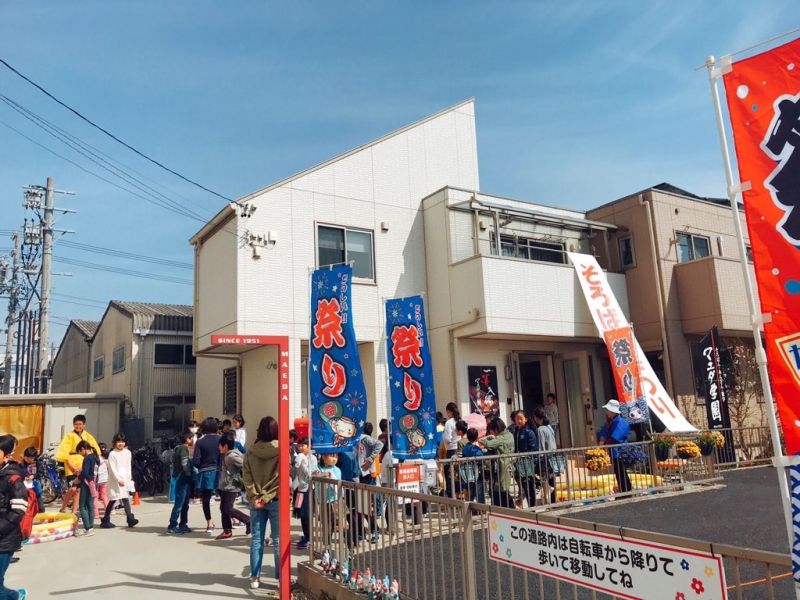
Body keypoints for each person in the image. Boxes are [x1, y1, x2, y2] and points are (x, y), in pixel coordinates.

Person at [243, 416, 284, 590]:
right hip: (276, 499)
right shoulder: (282, 449)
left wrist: (255, 497)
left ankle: (255, 577)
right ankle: (281, 579)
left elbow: (247, 477)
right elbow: (282, 478)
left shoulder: (250, 451)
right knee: (278, 540)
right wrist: (267, 497)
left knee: (257, 540)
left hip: (256, 502)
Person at [0, 435, 28, 599]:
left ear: (6, 456)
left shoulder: (14, 479)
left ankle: (15, 596)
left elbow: (18, 510)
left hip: (5, 541)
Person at [55, 414, 101, 514]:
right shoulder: (68, 436)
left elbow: (95, 450)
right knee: (72, 488)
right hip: (71, 463)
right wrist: (71, 466)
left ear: (84, 424)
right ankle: (63, 508)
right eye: (76, 424)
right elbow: (63, 452)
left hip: (83, 464)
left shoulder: (88, 436)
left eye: (80, 424)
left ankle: (74, 512)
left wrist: (84, 466)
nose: (78, 426)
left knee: (78, 490)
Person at [216, 433, 250, 540]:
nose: (219, 447)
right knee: (223, 508)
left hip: (232, 486)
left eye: (220, 445)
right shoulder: (227, 455)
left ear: (225, 446)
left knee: (228, 508)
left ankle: (248, 520)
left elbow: (245, 465)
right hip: (226, 485)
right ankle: (227, 531)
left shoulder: (231, 456)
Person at [101, 432, 138, 529]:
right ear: (114, 443)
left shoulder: (127, 453)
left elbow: (128, 466)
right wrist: (118, 479)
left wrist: (129, 479)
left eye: (122, 441)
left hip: (125, 479)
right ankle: (106, 519)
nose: (120, 444)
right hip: (115, 480)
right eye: (118, 442)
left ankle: (130, 519)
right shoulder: (112, 454)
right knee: (113, 499)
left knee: (125, 498)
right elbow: (112, 469)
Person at [354, 422, 383, 544]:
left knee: (365, 505)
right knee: (356, 507)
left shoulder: (364, 438)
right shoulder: (350, 439)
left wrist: (370, 459)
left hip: (364, 475)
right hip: (354, 476)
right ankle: (360, 532)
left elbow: (380, 444)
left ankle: (374, 530)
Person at [193, 417, 221, 533]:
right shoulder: (221, 439)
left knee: (206, 498)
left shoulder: (200, 442)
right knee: (225, 499)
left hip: (205, 472)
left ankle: (209, 523)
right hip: (219, 472)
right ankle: (234, 520)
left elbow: (196, 461)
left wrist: (201, 466)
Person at [598, 400, 632, 494]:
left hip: (621, 451)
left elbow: (614, 439)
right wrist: (602, 441)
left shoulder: (621, 422)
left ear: (614, 411)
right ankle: (624, 490)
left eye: (608, 410)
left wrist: (603, 443)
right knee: (618, 472)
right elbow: (603, 434)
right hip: (614, 451)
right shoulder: (610, 422)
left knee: (621, 471)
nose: (607, 412)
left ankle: (626, 491)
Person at [480, 417, 514, 508]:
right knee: (502, 490)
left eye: (492, 432)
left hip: (502, 467)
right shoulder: (509, 435)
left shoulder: (501, 438)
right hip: (506, 465)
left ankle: (506, 510)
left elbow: (488, 444)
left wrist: (482, 439)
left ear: (496, 429)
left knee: (500, 491)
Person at [509, 410, 539, 509]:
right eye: (517, 419)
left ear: (525, 419)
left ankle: (532, 508)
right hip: (519, 464)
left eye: (521, 419)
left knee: (529, 487)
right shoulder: (515, 431)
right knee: (524, 486)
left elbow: (534, 449)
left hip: (528, 464)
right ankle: (529, 506)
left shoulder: (529, 432)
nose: (519, 421)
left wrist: (533, 463)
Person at [167, 432, 194, 535]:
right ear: (188, 439)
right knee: (179, 503)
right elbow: (184, 463)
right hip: (182, 479)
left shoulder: (180, 448)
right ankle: (172, 525)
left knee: (185, 504)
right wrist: (189, 473)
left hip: (183, 479)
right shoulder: (183, 449)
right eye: (192, 438)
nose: (193, 440)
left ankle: (183, 524)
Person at [292, 436, 316, 550]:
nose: (300, 447)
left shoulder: (312, 458)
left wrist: (302, 465)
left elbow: (311, 474)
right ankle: (306, 535)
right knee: (301, 514)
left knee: (306, 515)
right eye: (299, 445)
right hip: (299, 488)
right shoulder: (299, 456)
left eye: (303, 445)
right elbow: (296, 470)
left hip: (307, 489)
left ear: (309, 446)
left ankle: (309, 538)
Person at [532, 406, 558, 504]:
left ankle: (549, 501)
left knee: (545, 480)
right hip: (552, 456)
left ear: (535, 417)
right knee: (551, 480)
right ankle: (552, 501)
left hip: (545, 458)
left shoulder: (540, 429)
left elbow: (541, 446)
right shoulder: (549, 427)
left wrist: (538, 459)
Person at [74, 441, 99, 536]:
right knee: (90, 506)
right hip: (94, 483)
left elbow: (85, 472)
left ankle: (87, 528)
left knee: (82, 506)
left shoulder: (87, 458)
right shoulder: (95, 457)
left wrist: (77, 479)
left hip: (86, 483)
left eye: (79, 452)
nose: (80, 454)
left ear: (83, 449)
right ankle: (91, 527)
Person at [317, 453, 341, 544]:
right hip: (324, 501)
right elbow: (308, 479)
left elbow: (338, 482)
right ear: (323, 457)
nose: (334, 459)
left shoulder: (336, 470)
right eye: (332, 456)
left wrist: (330, 476)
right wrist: (316, 474)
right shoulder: (318, 468)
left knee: (342, 524)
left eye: (336, 456)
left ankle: (350, 545)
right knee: (327, 525)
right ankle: (327, 546)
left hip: (335, 499)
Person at [460, 428, 486, 504]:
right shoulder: (477, 450)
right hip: (477, 473)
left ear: (467, 437)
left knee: (470, 491)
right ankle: (481, 507)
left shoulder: (465, 448)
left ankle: (469, 506)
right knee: (480, 491)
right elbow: (481, 460)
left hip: (467, 472)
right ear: (477, 437)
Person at [21, 447, 43, 514]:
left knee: (38, 499)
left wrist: (33, 476)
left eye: (31, 458)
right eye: (27, 457)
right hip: (25, 486)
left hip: (35, 485)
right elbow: (19, 473)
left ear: (34, 457)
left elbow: (41, 473)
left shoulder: (37, 463)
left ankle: (42, 513)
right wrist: (24, 477)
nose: (28, 459)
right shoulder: (21, 464)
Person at [95, 443, 109, 519]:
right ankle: (108, 510)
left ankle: (96, 513)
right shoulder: (105, 458)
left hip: (97, 480)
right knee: (104, 495)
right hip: (105, 479)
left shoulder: (96, 458)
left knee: (95, 496)